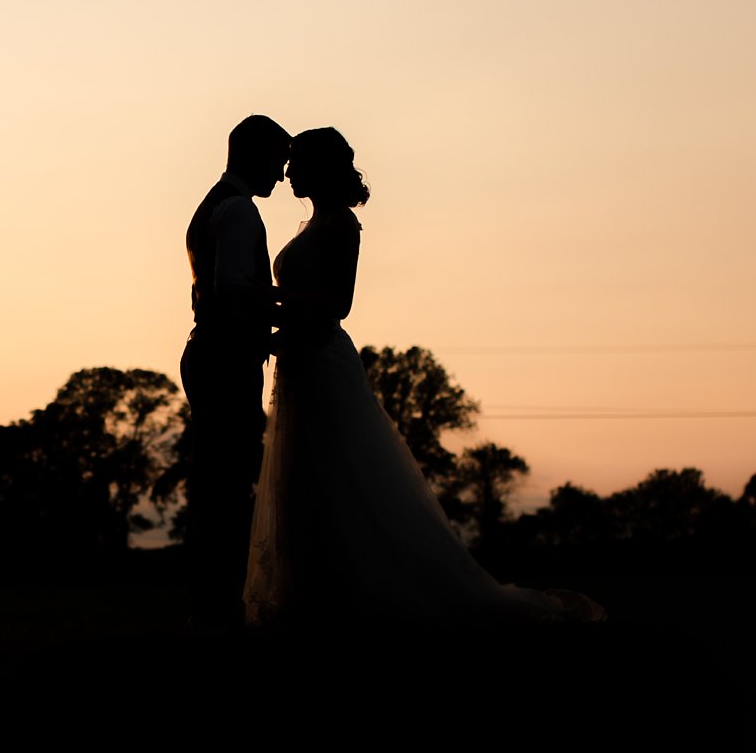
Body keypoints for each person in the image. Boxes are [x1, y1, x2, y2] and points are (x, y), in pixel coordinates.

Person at [243, 126, 603, 624]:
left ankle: (369, 595)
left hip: (324, 363)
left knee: (339, 476)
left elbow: (337, 306)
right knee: (303, 478)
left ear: (320, 168)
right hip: (300, 363)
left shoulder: (341, 225)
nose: (287, 172)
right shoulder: (313, 225)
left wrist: (266, 301)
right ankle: (316, 597)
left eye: (297, 163)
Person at [180, 114, 292, 630]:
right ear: (254, 155)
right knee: (228, 486)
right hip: (225, 359)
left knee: (215, 484)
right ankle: (220, 607)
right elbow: (232, 289)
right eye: (277, 160)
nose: (282, 173)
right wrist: (288, 313)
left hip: (208, 352)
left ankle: (211, 603)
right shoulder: (241, 212)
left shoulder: (212, 206)